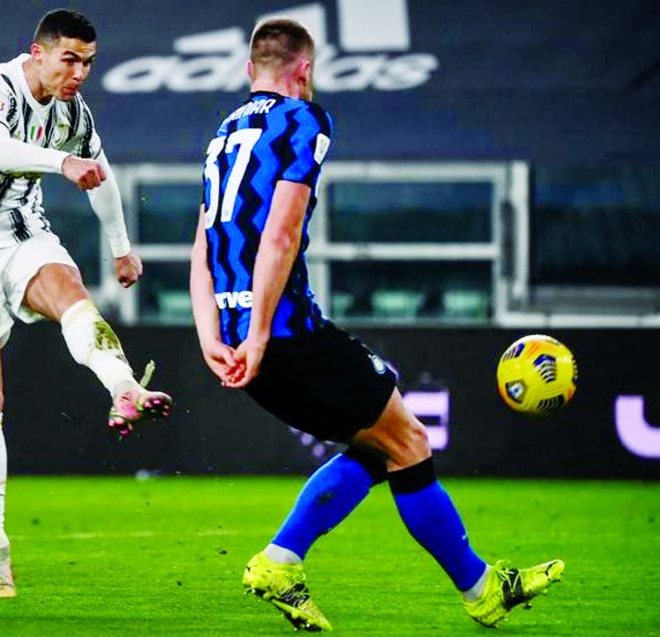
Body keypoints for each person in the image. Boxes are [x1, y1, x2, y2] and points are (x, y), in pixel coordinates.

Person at [189, 18, 563, 632]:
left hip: (235, 337)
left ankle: (282, 560)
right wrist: (259, 335)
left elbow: (202, 247)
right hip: (283, 334)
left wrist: (213, 336)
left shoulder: (223, 135)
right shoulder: (305, 121)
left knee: (378, 442)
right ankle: (481, 592)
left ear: (248, 69)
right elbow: (280, 233)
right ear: (304, 71)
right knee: (409, 443)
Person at [0, 9, 172, 599]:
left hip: (23, 231)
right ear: (37, 52)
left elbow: (100, 174)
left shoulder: (72, 113)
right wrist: (62, 163)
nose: (80, 72)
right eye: (70, 59)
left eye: (88, 62)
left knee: (71, 294)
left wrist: (121, 249)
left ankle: (123, 388)